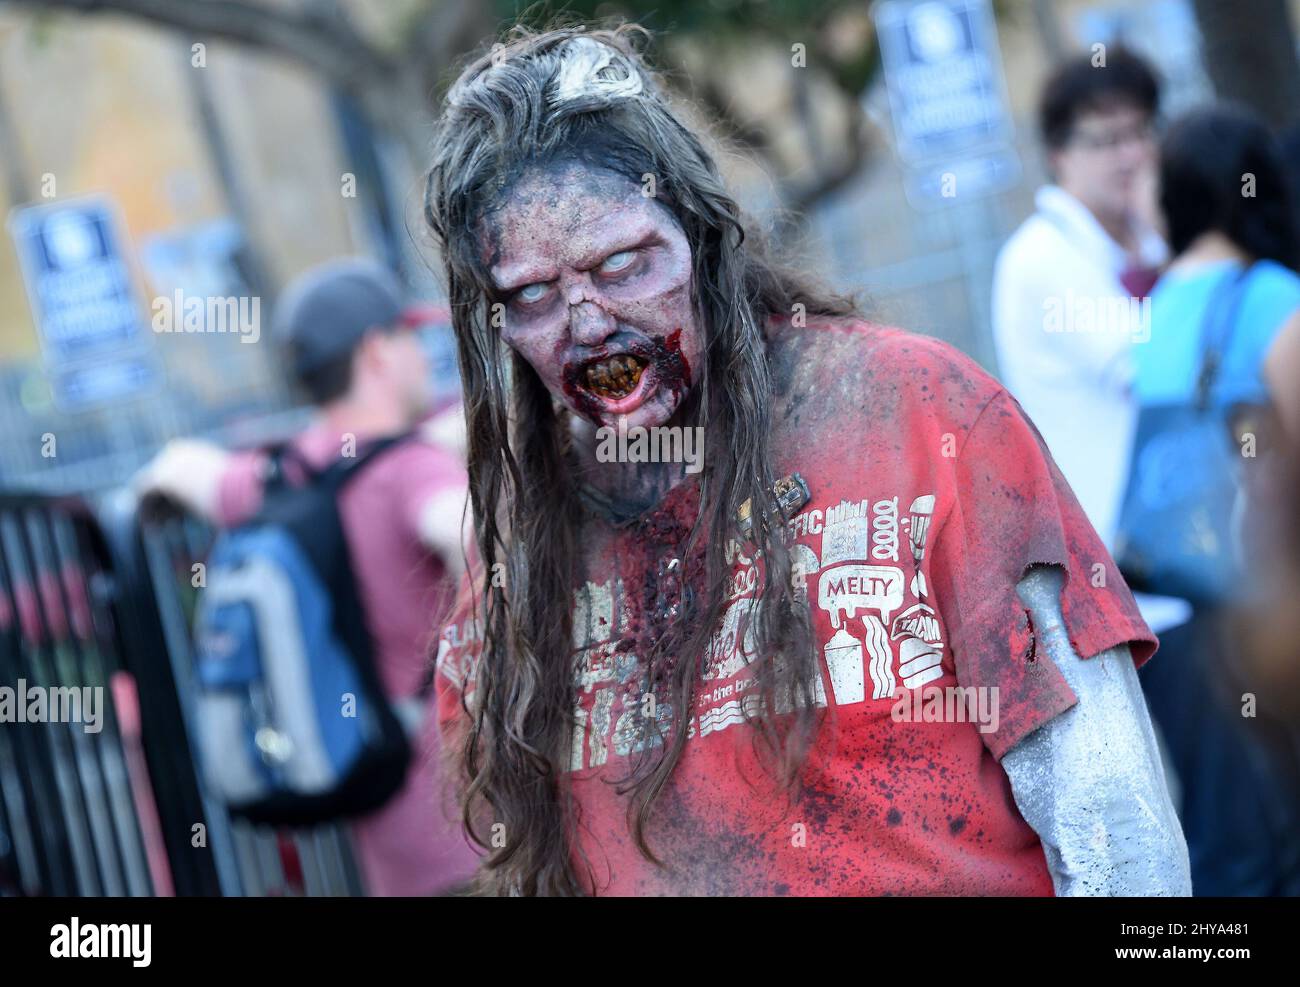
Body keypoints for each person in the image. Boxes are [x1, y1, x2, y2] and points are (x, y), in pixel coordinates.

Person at [426, 25, 1190, 897]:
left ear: (700, 234)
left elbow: (1112, 813)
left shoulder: (921, 415)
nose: (590, 323)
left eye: (625, 264)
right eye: (531, 295)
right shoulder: (521, 552)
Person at [138, 258, 480, 895]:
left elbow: (181, 468)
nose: (423, 359)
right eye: (412, 340)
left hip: (388, 841)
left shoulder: (280, 478)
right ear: (377, 352)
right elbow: (455, 529)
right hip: (479, 836)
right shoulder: (414, 470)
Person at [1128, 104, 1300, 895]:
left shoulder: (1155, 308)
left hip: (1184, 603)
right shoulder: (1270, 296)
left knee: (1241, 844)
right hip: (1270, 604)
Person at [991, 48, 1189, 637]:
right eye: (1105, 141)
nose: (1131, 156)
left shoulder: (1147, 246)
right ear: (1059, 155)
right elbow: (1153, 371)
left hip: (1188, 567)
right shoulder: (1043, 256)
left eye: (1139, 134)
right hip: (1127, 588)